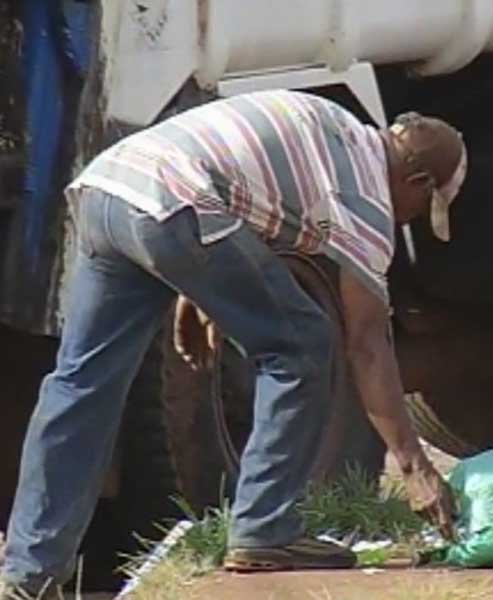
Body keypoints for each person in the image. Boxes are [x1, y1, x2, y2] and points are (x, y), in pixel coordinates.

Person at [1, 90, 467, 597]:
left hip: (109, 187)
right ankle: (266, 529)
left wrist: (195, 295)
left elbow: (244, 182)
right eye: (424, 206)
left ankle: (31, 572)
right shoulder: (366, 198)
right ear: (417, 181)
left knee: (81, 384)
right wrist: (414, 465)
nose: (411, 219)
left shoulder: (334, 124)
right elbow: (367, 344)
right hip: (174, 204)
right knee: (304, 346)